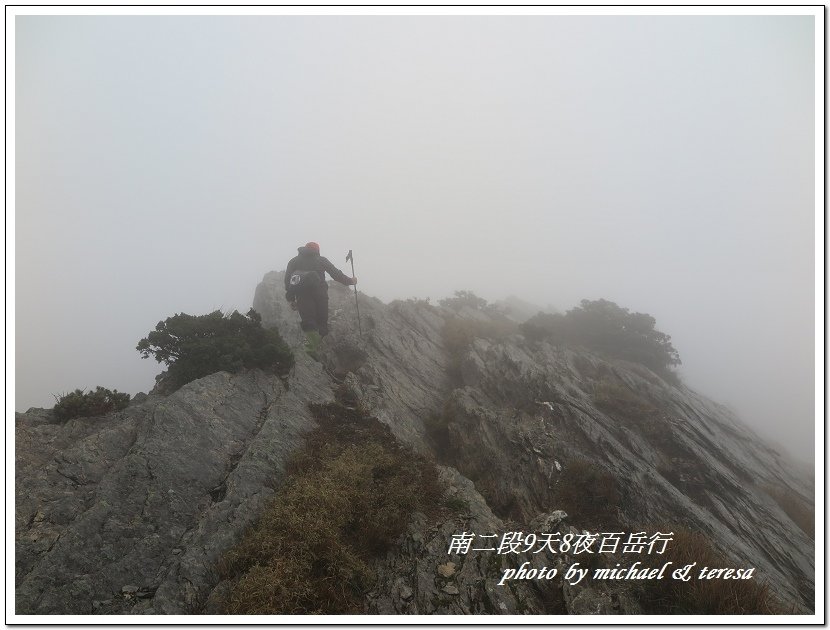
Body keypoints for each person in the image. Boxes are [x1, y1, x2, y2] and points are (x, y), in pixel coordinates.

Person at [284, 242, 357, 356]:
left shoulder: (294, 261)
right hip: (320, 294)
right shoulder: (321, 260)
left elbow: (289, 281)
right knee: (322, 322)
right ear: (317, 250)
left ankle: (310, 350)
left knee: (309, 321)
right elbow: (335, 274)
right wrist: (350, 281)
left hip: (302, 295)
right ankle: (315, 349)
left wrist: (291, 299)